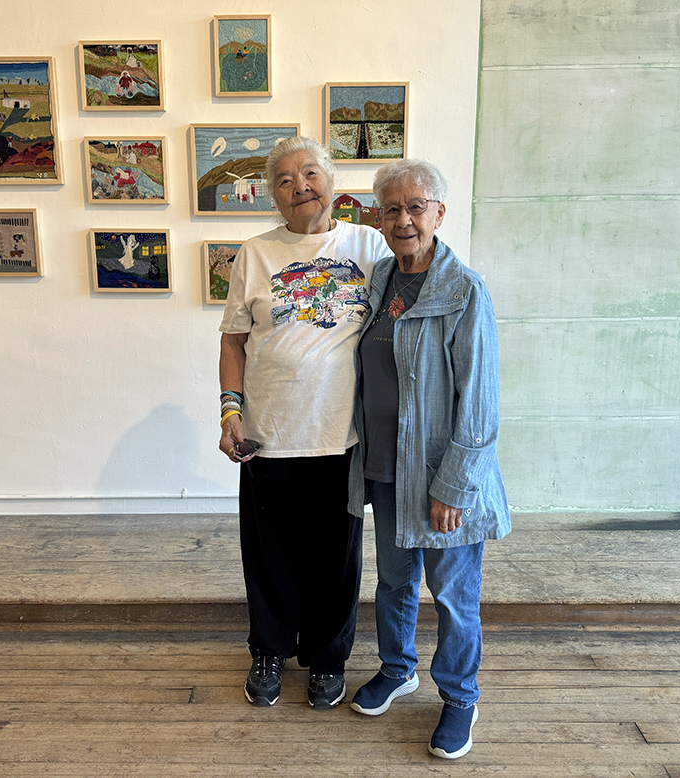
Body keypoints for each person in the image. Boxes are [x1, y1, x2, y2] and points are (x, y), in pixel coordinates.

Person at [218, 136, 388, 709]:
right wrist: (230, 410)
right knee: (269, 554)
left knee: (336, 558)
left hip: (342, 434)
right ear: (272, 195)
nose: (300, 187)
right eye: (285, 180)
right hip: (268, 432)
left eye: (310, 173)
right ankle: (269, 650)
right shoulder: (256, 253)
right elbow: (233, 341)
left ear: (332, 180)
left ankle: (327, 657)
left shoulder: (369, 244)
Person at [348, 159, 510, 758]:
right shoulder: (380, 278)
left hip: (443, 480)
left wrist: (455, 486)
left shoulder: (463, 290)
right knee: (394, 582)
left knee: (452, 597)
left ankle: (460, 698)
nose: (404, 220)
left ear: (439, 212)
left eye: (416, 207)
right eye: (392, 209)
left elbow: (480, 403)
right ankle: (398, 669)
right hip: (387, 469)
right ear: (379, 219)